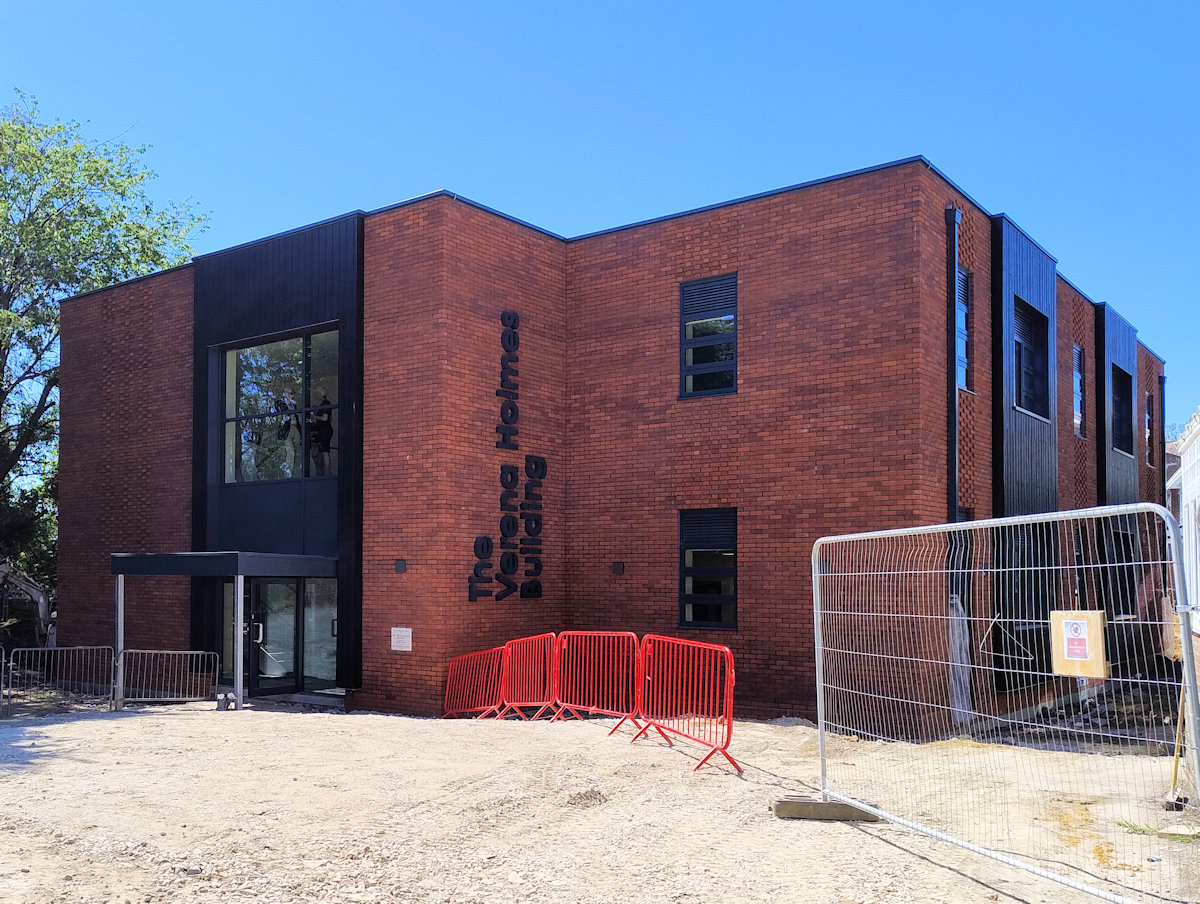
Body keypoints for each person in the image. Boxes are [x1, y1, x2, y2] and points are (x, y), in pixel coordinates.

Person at [309, 387, 334, 476]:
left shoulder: (325, 403)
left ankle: (327, 472)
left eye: (317, 393)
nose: (317, 395)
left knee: (325, 451)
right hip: (325, 429)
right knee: (323, 451)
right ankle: (325, 472)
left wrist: (315, 417)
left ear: (321, 393)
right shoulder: (324, 404)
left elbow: (325, 418)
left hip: (325, 430)